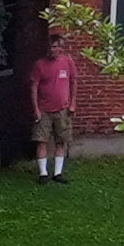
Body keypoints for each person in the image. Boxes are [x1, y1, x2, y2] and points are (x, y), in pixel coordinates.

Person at [32, 43, 78, 183]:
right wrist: (36, 110)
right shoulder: (40, 65)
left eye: (55, 47)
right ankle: (43, 173)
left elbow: (73, 81)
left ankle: (58, 173)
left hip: (63, 110)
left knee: (61, 141)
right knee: (41, 141)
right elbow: (33, 88)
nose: (53, 50)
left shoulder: (68, 62)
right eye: (50, 47)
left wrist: (73, 103)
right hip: (44, 110)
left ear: (60, 48)